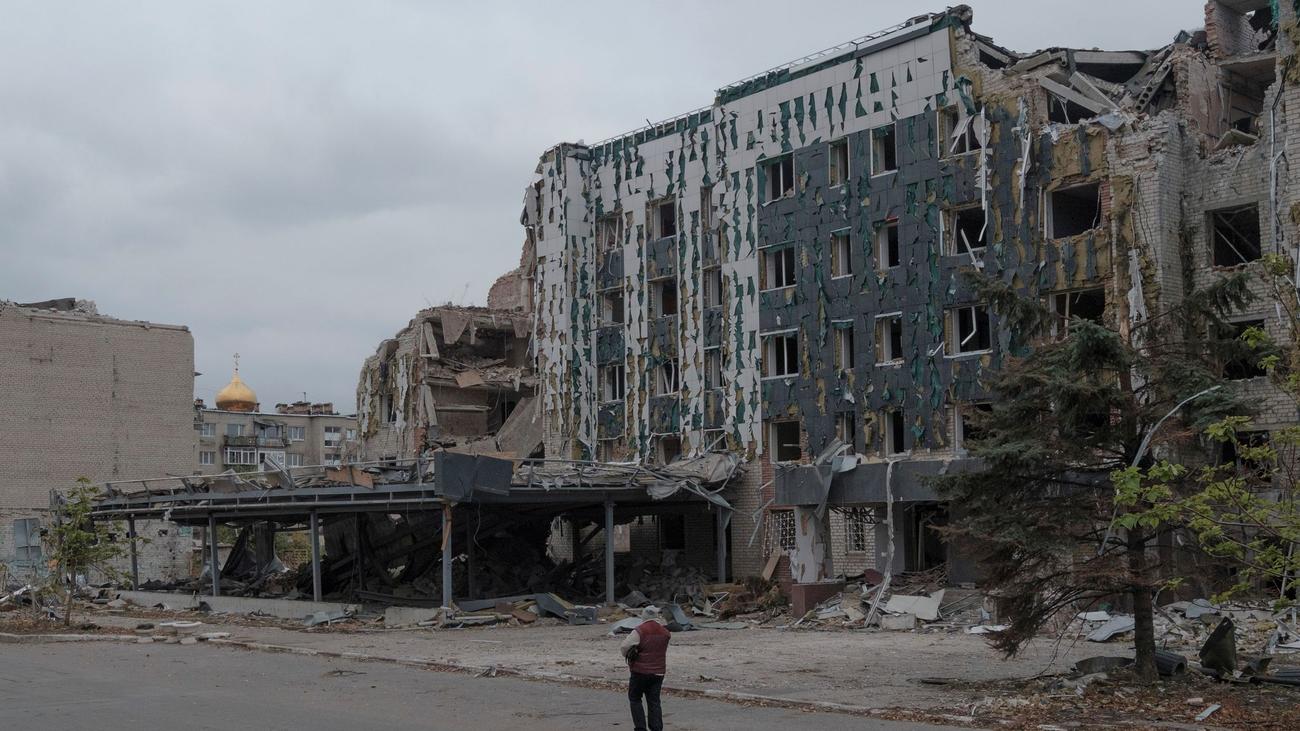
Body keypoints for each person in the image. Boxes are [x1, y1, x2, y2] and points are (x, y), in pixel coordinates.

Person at [620, 607, 671, 731]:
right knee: (654, 701)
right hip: (659, 671)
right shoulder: (665, 632)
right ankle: (656, 728)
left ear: (644, 616)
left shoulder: (640, 630)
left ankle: (640, 728)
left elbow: (624, 647)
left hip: (640, 671)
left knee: (635, 698)